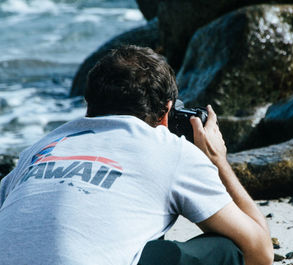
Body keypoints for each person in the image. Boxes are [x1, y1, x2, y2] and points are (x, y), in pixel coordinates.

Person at [0, 45, 273, 265]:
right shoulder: (171, 150)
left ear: (89, 105)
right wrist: (217, 160)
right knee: (227, 249)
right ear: (167, 111)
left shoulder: (40, 149)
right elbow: (260, 251)